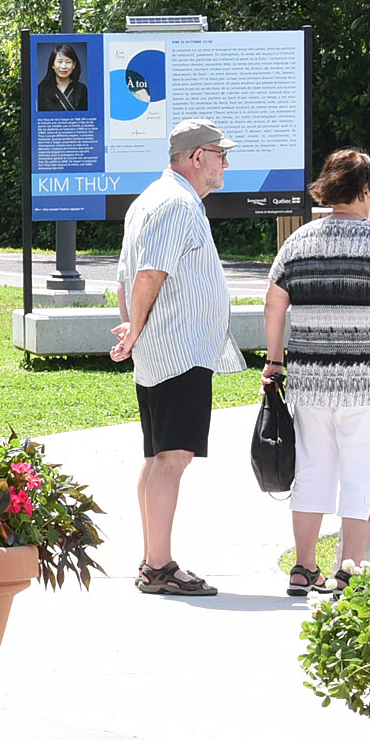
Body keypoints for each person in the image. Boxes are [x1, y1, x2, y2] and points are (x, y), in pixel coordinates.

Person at [262, 150, 370, 597]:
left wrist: (275, 361)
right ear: (366, 192)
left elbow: (275, 302)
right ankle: (349, 571)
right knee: (360, 474)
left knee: (312, 469)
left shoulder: (299, 241)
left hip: (310, 378)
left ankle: (303, 567)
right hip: (366, 381)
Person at [110, 118, 246, 596]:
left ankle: (153, 560)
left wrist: (131, 328)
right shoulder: (174, 204)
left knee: (158, 456)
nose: (225, 163)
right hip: (177, 350)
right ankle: (160, 566)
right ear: (195, 157)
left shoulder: (155, 198)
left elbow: (126, 277)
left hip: (164, 348)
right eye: (219, 154)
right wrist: (137, 328)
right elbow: (148, 273)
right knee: (172, 457)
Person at [36, 43, 88, 111]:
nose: (63, 66)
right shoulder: (41, 90)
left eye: (68, 62)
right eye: (59, 62)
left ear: (74, 65)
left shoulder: (81, 89)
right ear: (53, 64)